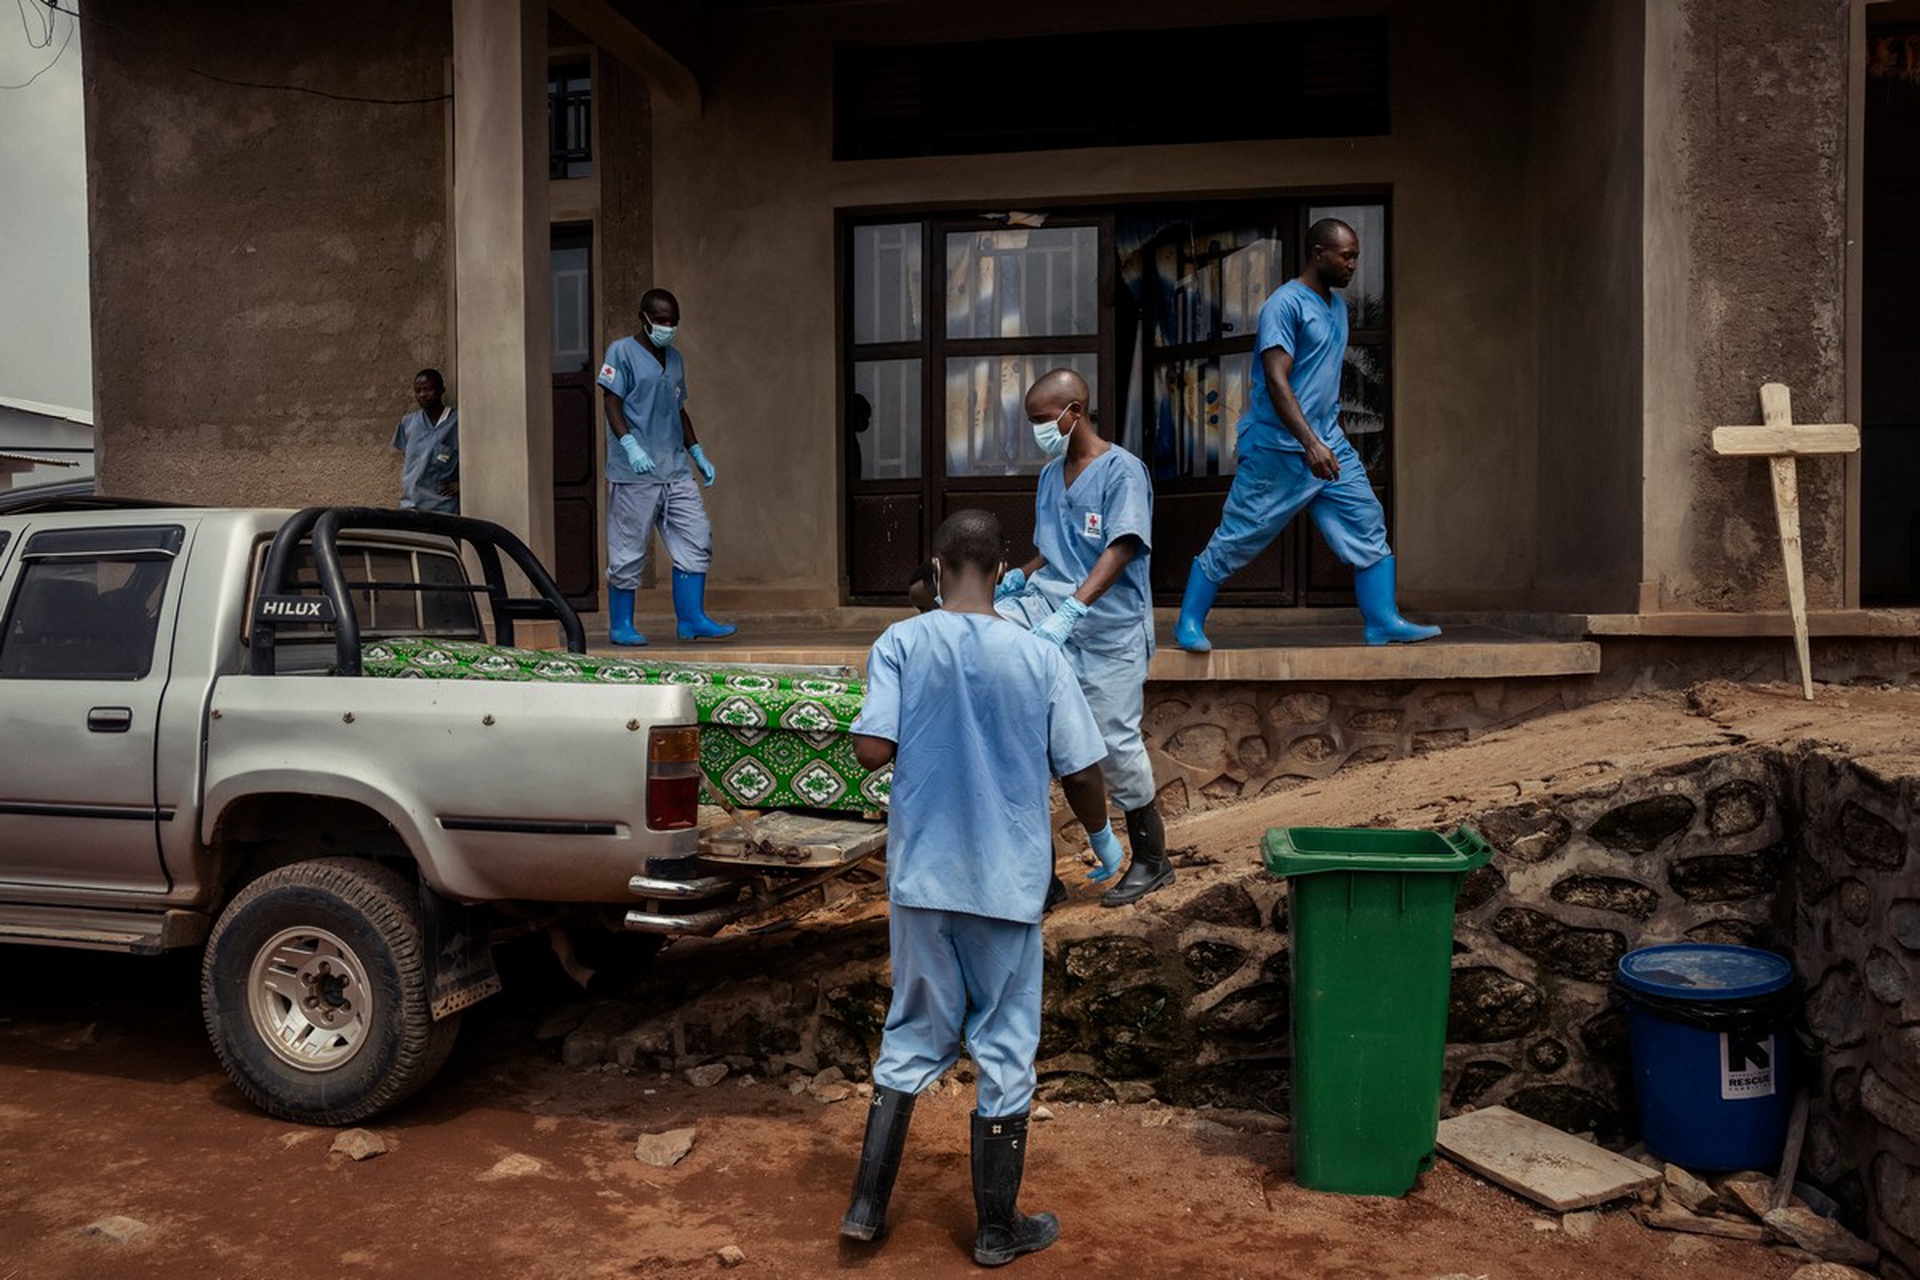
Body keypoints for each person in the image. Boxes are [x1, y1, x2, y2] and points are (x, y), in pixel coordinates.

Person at [841, 508, 1123, 1268]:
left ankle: (866, 1208)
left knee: (909, 1037)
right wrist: (1101, 838)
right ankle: (997, 1229)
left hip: (922, 881)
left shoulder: (899, 642)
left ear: (935, 568)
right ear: (1002, 571)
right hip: (1006, 883)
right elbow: (1082, 769)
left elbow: (871, 750)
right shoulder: (1037, 656)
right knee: (1004, 1047)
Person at [1174, 218, 1439, 651]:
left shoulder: (1335, 307)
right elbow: (1277, 381)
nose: (1354, 264)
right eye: (1347, 255)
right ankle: (1187, 623)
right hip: (1279, 449)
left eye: (1356, 255)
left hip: (1327, 441)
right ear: (1319, 254)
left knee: (1367, 520)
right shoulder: (1284, 305)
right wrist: (1309, 443)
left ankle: (1382, 621)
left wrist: (1321, 440)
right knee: (1238, 535)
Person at [995, 368, 1173, 908]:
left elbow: (1119, 548)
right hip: (1045, 606)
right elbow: (1055, 546)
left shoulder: (1123, 472)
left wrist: (1072, 610)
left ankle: (1151, 858)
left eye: (1043, 421)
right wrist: (1021, 576)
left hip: (1108, 629)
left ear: (1075, 412)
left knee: (1113, 744)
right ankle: (1039, 874)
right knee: (992, 657)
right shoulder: (1052, 476)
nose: (1038, 432)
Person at [597, 288, 734, 646]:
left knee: (697, 536)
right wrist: (629, 444)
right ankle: (621, 625)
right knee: (628, 550)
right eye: (660, 320)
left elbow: (678, 409)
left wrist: (697, 451)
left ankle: (692, 619)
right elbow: (611, 402)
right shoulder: (621, 352)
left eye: (673, 322)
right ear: (643, 317)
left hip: (674, 469)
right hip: (634, 473)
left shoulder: (675, 359)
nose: (667, 327)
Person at [392, 368, 459, 513]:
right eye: (418, 391)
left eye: (428, 390)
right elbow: (410, 460)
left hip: (442, 507)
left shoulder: (457, 422)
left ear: (442, 390)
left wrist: (462, 485)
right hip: (410, 505)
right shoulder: (408, 423)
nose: (422, 395)